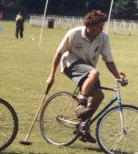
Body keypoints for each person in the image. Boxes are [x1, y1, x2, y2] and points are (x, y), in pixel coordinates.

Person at [46, 10, 126, 143]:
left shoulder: (104, 38)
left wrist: (118, 77)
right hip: (70, 63)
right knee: (94, 72)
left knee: (99, 95)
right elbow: (59, 53)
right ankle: (80, 104)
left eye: (102, 26)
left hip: (88, 69)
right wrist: (51, 75)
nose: (102, 29)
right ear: (90, 25)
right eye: (99, 26)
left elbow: (109, 60)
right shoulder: (74, 33)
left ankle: (83, 126)